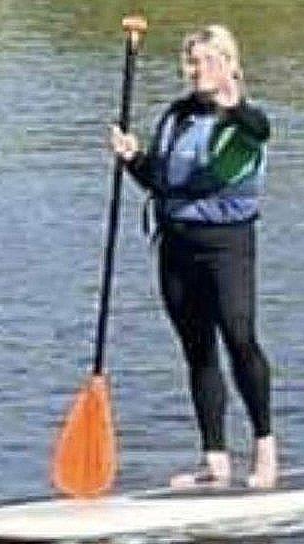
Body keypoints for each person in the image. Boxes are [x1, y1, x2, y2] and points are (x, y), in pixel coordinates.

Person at [110, 24, 276, 489]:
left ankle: (265, 451)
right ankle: (215, 460)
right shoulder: (178, 115)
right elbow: (162, 182)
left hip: (226, 246)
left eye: (206, 61)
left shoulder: (244, 122)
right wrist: (134, 160)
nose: (197, 70)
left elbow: (252, 139)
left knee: (239, 338)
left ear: (229, 63)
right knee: (197, 350)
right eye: (191, 62)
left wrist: (236, 106)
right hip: (176, 244)